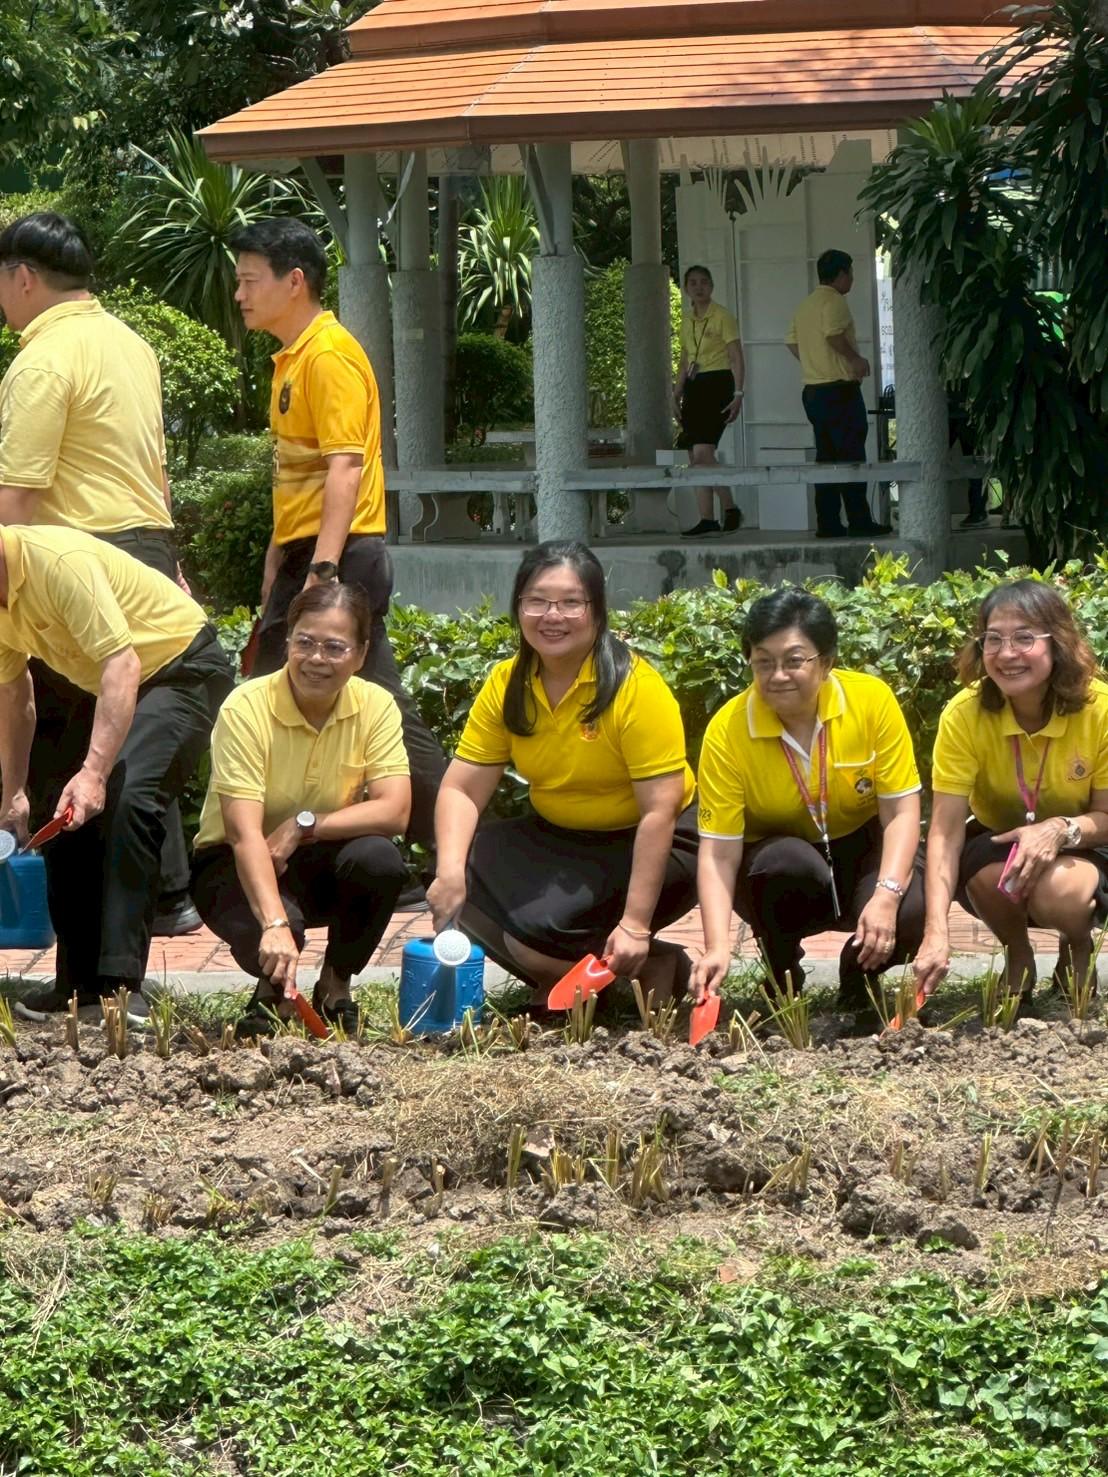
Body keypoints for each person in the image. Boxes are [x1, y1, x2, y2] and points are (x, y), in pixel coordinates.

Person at [0, 210, 200, 937]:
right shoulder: (132, 343)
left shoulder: (41, 359)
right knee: (134, 744)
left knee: (73, 758)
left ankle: (97, 947)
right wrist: (169, 561)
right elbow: (155, 469)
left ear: (22, 277)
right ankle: (170, 895)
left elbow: (14, 499)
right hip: (144, 552)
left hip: (73, 565)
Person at [231, 217, 446, 853]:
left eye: (249, 281)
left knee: (372, 706)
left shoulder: (327, 356)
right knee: (321, 698)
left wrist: (322, 574)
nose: (239, 294)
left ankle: (452, 847)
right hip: (316, 555)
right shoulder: (296, 357)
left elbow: (345, 469)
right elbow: (299, 472)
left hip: (341, 558)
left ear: (294, 282)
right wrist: (281, 557)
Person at [427, 541, 698, 1007]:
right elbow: (462, 788)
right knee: (461, 877)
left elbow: (659, 810)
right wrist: (448, 871)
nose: (552, 615)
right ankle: (642, 971)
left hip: (658, 838)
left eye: (571, 602)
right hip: (562, 835)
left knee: (538, 930)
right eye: (537, 600)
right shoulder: (508, 683)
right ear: (518, 608)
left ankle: (621, 962)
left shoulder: (636, 688)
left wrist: (635, 923)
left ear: (597, 611)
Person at [0, 525, 233, 1017]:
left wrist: (93, 771)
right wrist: (14, 788)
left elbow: (122, 664)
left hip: (179, 666)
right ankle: (76, 986)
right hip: (120, 682)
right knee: (62, 812)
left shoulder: (56, 564)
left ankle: (121, 990)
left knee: (128, 797)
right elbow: (15, 695)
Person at [190, 583, 410, 1035]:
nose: (316, 658)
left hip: (320, 858)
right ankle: (273, 995)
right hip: (234, 862)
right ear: (287, 641)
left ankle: (335, 986)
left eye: (334, 647)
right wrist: (272, 923)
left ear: (361, 653)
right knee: (279, 930)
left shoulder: (375, 705)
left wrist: (303, 825)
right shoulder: (247, 707)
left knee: (379, 860)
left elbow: (395, 811)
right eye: (304, 642)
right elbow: (243, 834)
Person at [692, 589, 923, 1010]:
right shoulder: (727, 730)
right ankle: (782, 973)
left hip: (862, 844)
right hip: (782, 863)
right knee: (782, 865)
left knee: (913, 909)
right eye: (763, 661)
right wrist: (716, 946)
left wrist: (887, 896)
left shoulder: (871, 701)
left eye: (794, 660)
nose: (778, 675)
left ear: (827, 662)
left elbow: (901, 812)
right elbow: (718, 854)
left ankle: (861, 973)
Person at [913, 581, 1108, 1004]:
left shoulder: (1100, 708)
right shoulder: (963, 715)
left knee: (1065, 895)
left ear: (1057, 643)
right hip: (1000, 840)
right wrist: (936, 930)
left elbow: (1106, 816)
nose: (1006, 654)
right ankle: (1017, 954)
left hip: (1086, 840)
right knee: (989, 879)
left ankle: (1075, 944)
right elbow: (945, 830)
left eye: (1024, 638)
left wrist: (1060, 829)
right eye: (993, 639)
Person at [785, 249, 890, 540]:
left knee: (826, 457)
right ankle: (859, 519)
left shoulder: (805, 305)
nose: (852, 280)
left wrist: (812, 361)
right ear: (841, 274)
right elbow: (833, 335)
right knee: (851, 455)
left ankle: (828, 522)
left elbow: (791, 342)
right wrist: (855, 359)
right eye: (851, 274)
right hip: (840, 389)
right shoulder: (834, 301)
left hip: (814, 390)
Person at [674, 265, 745, 539]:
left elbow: (737, 356)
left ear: (712, 286)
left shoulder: (723, 316)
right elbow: (684, 360)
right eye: (693, 283)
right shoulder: (686, 320)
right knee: (695, 457)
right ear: (686, 288)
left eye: (704, 282)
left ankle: (729, 508)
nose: (699, 287)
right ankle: (709, 518)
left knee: (703, 455)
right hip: (695, 385)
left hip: (718, 383)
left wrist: (738, 394)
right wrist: (676, 393)